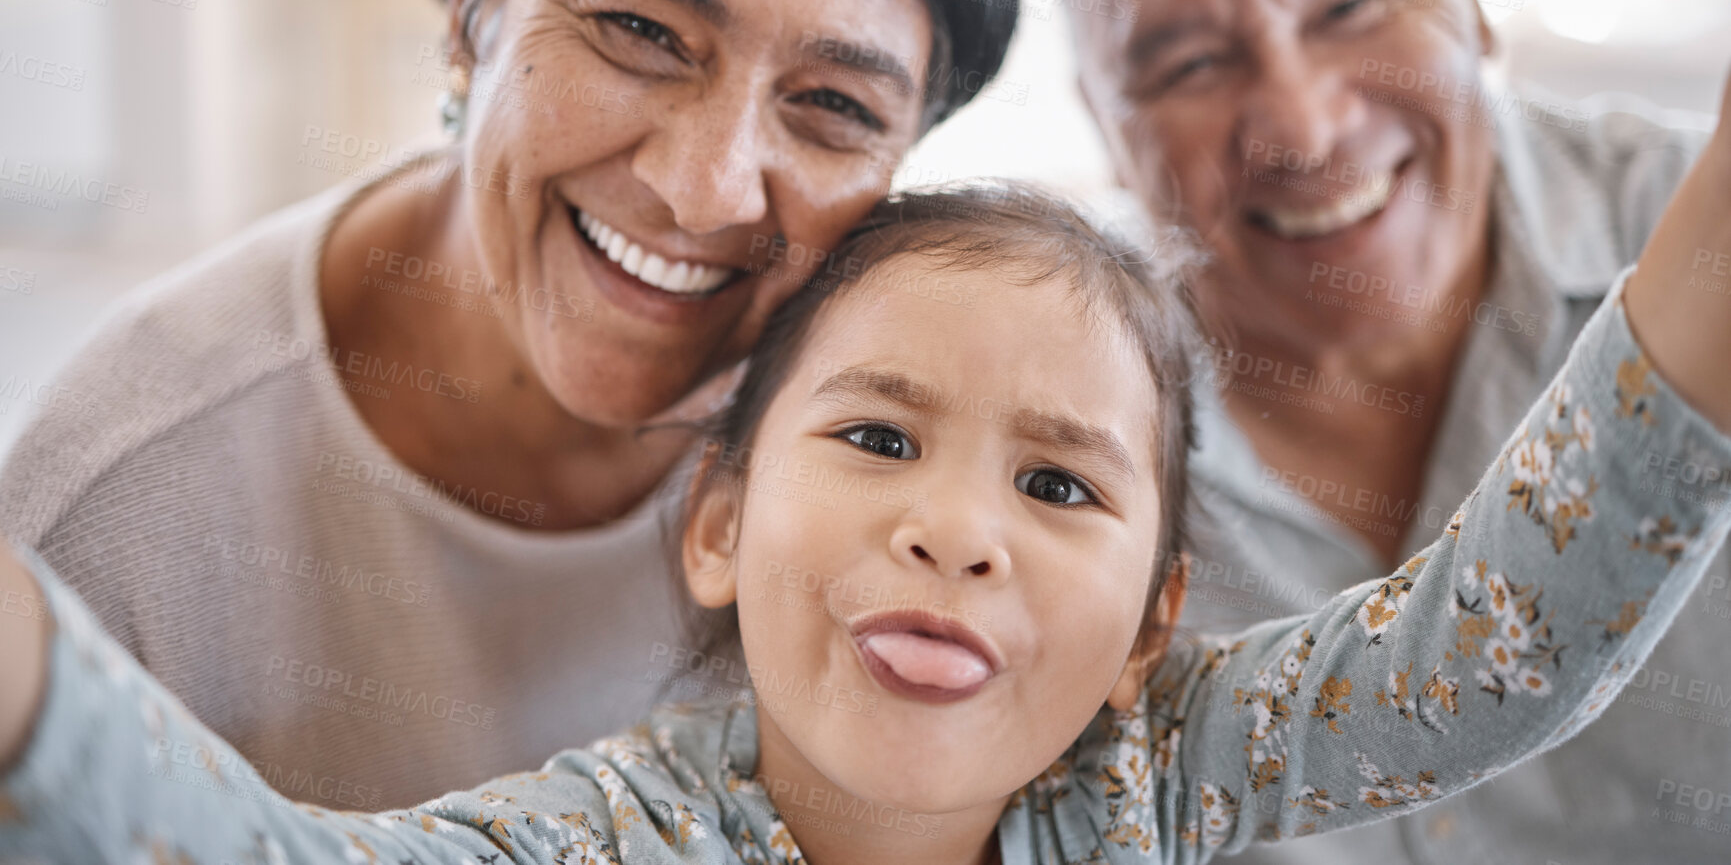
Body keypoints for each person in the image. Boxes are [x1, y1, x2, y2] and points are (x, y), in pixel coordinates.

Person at [3, 167, 1731, 865]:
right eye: (880, 435)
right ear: (716, 525)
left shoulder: (1157, 769)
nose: (959, 529)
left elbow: (1503, 636)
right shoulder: (614, 838)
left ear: (1150, 619)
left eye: (1058, 482)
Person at [0, 0, 1018, 810]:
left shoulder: (929, 482)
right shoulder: (117, 511)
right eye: (641, 29)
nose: (705, 186)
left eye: (832, 104)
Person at [1056, 0, 1726, 863]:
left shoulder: (1700, 243)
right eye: (1189, 62)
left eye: (1356, 5)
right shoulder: (1040, 413)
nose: (1307, 130)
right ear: (1101, 119)